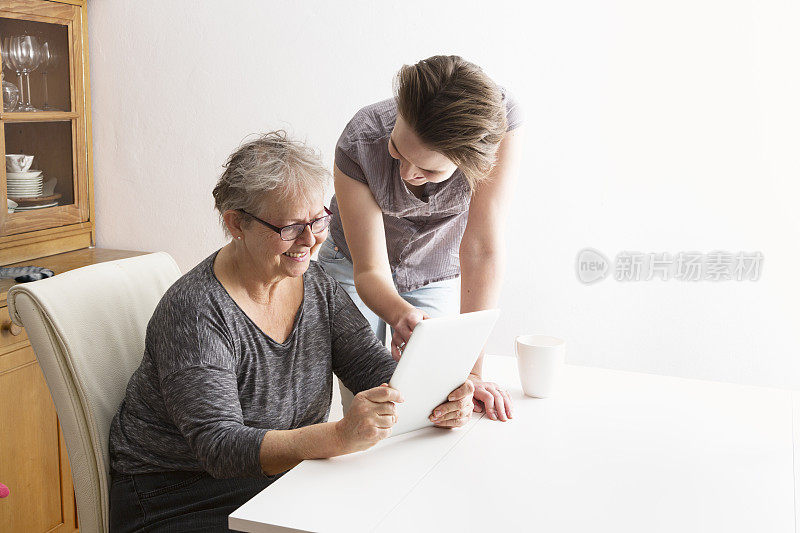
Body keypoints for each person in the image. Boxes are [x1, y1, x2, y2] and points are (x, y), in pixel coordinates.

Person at [107, 131, 475, 532]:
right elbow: (220, 446)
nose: (310, 240)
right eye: (290, 227)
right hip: (179, 497)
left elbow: (371, 368)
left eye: (317, 220)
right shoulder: (196, 312)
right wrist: (337, 437)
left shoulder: (317, 286)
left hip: (282, 482)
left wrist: (440, 394)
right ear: (236, 224)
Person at [318, 55, 523, 421]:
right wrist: (400, 314)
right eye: (397, 150)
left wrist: (473, 373)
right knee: (370, 406)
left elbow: (482, 248)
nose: (407, 172)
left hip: (435, 268)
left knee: (438, 402)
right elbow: (370, 269)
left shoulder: (499, 127)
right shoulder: (361, 141)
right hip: (353, 264)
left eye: (429, 169)